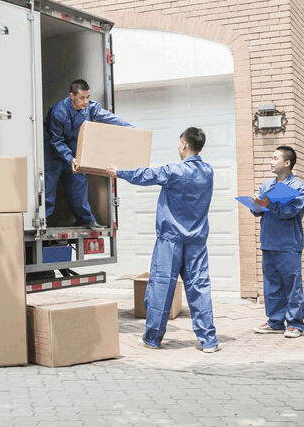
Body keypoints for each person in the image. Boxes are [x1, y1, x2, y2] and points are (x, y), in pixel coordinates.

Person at [105, 127, 221, 353]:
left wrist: (118, 172)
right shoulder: (208, 171)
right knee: (199, 288)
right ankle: (209, 341)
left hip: (171, 240)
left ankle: (152, 338)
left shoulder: (174, 171)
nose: (178, 146)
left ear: (184, 144)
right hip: (196, 241)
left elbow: (145, 175)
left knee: (162, 287)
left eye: (179, 142)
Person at [44, 79, 132, 228]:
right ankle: (43, 220)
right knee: (49, 186)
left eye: (88, 97)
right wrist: (70, 158)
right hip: (53, 152)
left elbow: (109, 118)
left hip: (74, 151)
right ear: (72, 96)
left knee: (78, 184)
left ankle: (85, 220)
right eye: (82, 98)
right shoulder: (59, 111)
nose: (86, 101)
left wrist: (130, 127)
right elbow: (56, 140)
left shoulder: (91, 107)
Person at [250, 146, 304, 338]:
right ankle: (275, 322)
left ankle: (295, 324)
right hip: (268, 242)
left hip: (288, 244)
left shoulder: (299, 188)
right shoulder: (266, 186)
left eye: (275, 158)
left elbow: (290, 212)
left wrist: (269, 205)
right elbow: (256, 211)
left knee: (292, 286)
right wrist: (256, 205)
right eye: (271, 157)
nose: (271, 161)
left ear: (287, 163)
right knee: (272, 285)